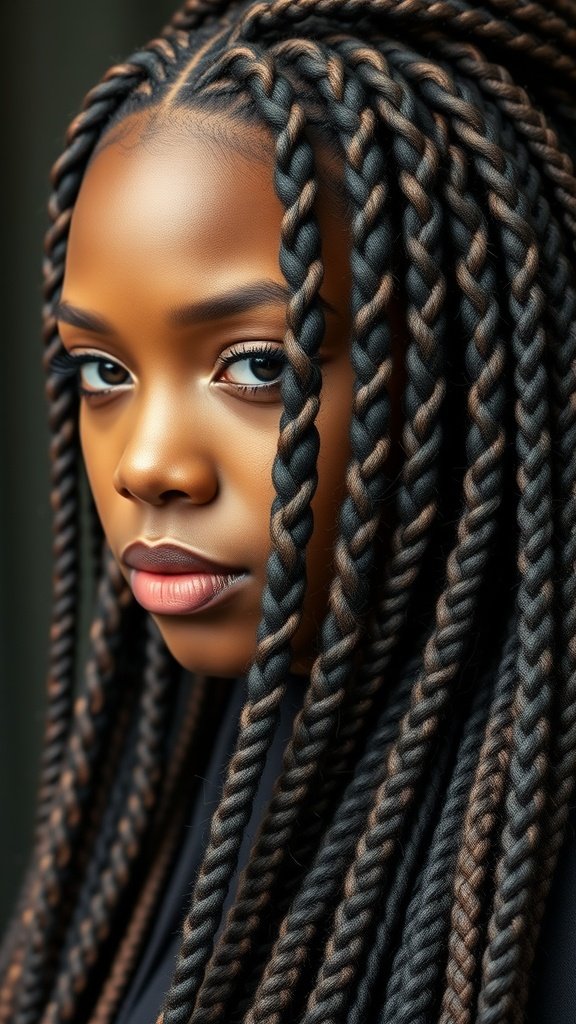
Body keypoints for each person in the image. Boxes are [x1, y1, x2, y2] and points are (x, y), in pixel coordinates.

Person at [1, 0, 576, 1021]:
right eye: (102, 369)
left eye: (257, 365)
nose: (146, 466)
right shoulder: (176, 791)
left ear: (472, 367)